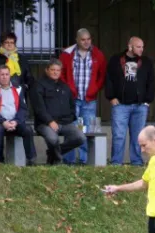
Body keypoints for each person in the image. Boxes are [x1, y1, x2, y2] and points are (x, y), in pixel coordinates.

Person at [59, 28, 106, 165]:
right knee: (71, 130)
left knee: (88, 130)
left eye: (88, 39)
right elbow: (61, 73)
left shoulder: (97, 54)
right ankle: (69, 160)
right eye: (83, 39)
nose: (86, 42)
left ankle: (85, 160)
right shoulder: (67, 54)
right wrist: (67, 90)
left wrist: (95, 88)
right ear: (77, 40)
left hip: (89, 99)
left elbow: (102, 75)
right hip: (72, 98)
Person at [106, 36, 155, 166]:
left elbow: (151, 82)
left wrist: (147, 100)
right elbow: (109, 79)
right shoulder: (116, 60)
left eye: (143, 47)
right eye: (139, 47)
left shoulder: (146, 62)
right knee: (118, 136)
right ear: (130, 47)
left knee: (138, 137)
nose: (142, 49)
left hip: (140, 105)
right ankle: (116, 163)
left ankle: (137, 162)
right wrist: (111, 97)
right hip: (120, 105)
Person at [30, 59, 85, 165]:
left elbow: (72, 105)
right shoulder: (38, 85)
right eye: (53, 70)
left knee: (80, 137)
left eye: (58, 70)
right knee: (53, 139)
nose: (55, 72)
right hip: (45, 124)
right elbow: (39, 108)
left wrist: (70, 118)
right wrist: (50, 121)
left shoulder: (64, 86)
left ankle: (52, 153)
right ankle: (57, 161)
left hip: (64, 123)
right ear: (47, 70)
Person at [0, 65, 36, 165]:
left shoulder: (18, 88)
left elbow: (23, 109)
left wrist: (16, 121)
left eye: (7, 74)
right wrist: (3, 121)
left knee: (28, 130)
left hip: (15, 121)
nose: (4, 77)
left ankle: (31, 160)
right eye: (2, 74)